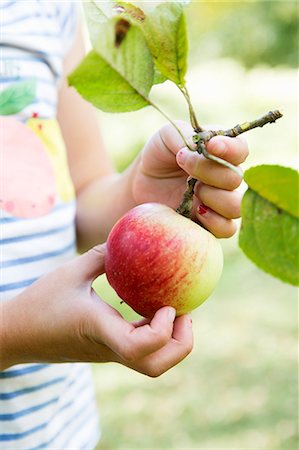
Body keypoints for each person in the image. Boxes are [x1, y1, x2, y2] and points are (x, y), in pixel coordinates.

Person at [0, 2, 249, 449]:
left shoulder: (46, 8)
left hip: (57, 429)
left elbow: (82, 194)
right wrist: (13, 336)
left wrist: (136, 196)